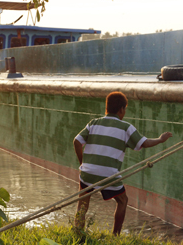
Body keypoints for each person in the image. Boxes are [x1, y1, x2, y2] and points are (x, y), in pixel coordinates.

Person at [73, 91, 173, 235]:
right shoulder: (126, 127)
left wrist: (83, 163)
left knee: (82, 202)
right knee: (122, 201)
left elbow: (76, 141)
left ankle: (77, 231)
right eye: (125, 109)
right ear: (121, 109)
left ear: (106, 108)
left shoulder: (93, 123)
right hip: (109, 175)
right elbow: (144, 143)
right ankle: (115, 236)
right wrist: (160, 139)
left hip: (87, 173)